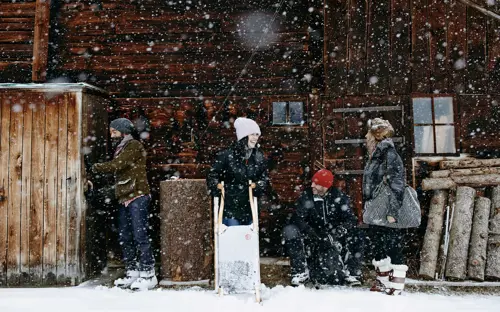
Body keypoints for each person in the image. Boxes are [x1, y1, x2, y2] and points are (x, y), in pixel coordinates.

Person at [90, 118, 157, 290]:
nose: (111, 135)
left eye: (114, 132)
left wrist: (95, 167)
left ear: (124, 131)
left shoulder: (133, 145)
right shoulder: (121, 148)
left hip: (137, 196)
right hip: (124, 197)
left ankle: (148, 274)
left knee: (140, 236)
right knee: (125, 237)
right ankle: (132, 271)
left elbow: (118, 165)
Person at [283, 169, 364, 287]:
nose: (312, 185)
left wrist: (337, 232)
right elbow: (297, 218)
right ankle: (300, 272)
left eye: (316, 183)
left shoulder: (339, 197)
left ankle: (352, 273)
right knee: (290, 230)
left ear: (325, 185)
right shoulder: (307, 196)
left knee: (357, 234)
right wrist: (310, 231)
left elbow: (350, 219)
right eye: (312, 182)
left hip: (334, 234)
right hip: (312, 234)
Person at [362, 118, 407, 295]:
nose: (366, 137)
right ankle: (382, 281)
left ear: (377, 136)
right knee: (378, 243)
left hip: (387, 206)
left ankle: (396, 286)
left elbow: (397, 184)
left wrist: (393, 211)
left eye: (368, 134)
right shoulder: (375, 155)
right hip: (376, 206)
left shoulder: (389, 154)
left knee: (392, 243)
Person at [207, 117, 269, 226]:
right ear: (244, 136)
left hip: (250, 207)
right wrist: (216, 186)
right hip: (230, 206)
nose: (255, 138)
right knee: (233, 237)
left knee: (248, 239)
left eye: (257, 135)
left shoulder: (258, 157)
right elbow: (213, 174)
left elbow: (264, 177)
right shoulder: (227, 156)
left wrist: (259, 186)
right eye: (252, 134)